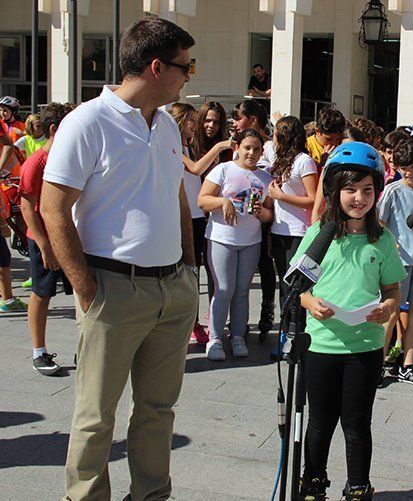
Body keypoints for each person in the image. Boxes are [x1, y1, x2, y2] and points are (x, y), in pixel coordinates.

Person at [39, 17, 199, 500]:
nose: (188, 76)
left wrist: (190, 269)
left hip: (172, 288)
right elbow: (52, 206)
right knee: (95, 414)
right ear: (155, 67)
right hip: (113, 286)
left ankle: (150, 495)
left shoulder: (167, 123)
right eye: (184, 68)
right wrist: (86, 288)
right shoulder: (88, 121)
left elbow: (178, 198)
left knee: (158, 409)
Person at [295, 142, 405, 501]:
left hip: (366, 347)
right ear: (334, 191)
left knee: (357, 424)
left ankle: (358, 484)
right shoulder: (318, 236)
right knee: (320, 421)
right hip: (321, 345)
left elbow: (392, 289)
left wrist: (388, 308)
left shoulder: (382, 239)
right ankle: (313, 480)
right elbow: (299, 289)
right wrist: (312, 303)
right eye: (350, 189)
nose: (359, 198)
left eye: (367, 190)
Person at [198, 129, 273, 360]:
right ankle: (215, 339)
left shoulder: (265, 178)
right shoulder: (223, 170)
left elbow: (270, 214)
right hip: (222, 239)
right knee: (223, 290)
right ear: (237, 148)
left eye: (256, 149)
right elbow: (202, 200)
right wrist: (223, 201)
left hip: (251, 241)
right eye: (247, 148)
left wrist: (262, 213)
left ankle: (238, 336)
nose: (251, 153)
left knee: (242, 291)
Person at [170, 102, 232, 344]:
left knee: (194, 274)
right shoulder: (174, 146)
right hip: (182, 218)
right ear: (181, 122)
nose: (196, 125)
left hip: (198, 218)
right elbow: (195, 169)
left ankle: (194, 322)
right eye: (192, 121)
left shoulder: (189, 145)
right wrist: (219, 146)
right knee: (184, 273)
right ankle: (183, 324)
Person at [18, 103, 73, 375]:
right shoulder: (36, 162)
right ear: (54, 129)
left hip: (70, 235)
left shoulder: (71, 158)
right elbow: (27, 205)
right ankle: (39, 352)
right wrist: (44, 245)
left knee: (85, 291)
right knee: (42, 293)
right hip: (45, 239)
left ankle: (86, 346)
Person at [377, 138, 413, 387]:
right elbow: (379, 222)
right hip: (398, 261)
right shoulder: (392, 190)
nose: (408, 172)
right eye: (403, 167)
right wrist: (390, 244)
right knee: (390, 313)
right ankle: (377, 363)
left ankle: (408, 364)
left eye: (412, 166)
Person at [231, 99, 277, 338]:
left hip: (263, 211)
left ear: (253, 120)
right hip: (240, 216)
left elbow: (277, 173)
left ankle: (267, 310)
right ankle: (238, 317)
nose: (235, 123)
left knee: (264, 262)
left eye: (239, 118)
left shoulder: (268, 147)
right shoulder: (237, 144)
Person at [267, 116, 318, 318]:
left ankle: (295, 336)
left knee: (295, 286)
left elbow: (313, 199)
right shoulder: (280, 160)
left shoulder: (304, 161)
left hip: (299, 232)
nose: (273, 138)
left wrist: (282, 196)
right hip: (279, 230)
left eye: (276, 133)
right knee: (284, 285)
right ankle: (284, 335)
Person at [309, 107, 347, 221]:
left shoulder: (342, 146)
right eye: (329, 139)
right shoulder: (307, 146)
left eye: (338, 139)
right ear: (317, 132)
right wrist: (322, 164)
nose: (334, 144)